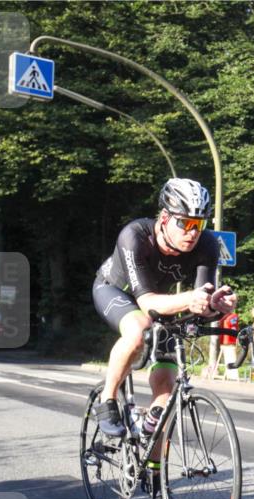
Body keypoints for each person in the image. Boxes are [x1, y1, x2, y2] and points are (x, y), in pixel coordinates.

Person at [92, 177, 237, 440]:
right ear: (164, 218)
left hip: (161, 303)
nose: (193, 233)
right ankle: (107, 398)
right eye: (186, 223)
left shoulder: (207, 245)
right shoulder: (135, 236)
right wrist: (190, 300)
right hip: (115, 291)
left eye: (199, 224)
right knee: (138, 330)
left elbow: (200, 301)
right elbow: (147, 305)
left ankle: (153, 471)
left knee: (166, 394)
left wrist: (216, 306)